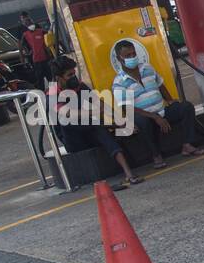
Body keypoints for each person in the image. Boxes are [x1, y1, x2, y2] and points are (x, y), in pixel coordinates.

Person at [111, 40, 204, 168]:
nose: (132, 58)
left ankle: (187, 145)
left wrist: (170, 100)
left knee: (186, 107)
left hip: (162, 111)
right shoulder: (119, 82)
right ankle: (156, 155)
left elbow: (160, 85)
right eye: (128, 56)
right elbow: (127, 108)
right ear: (119, 58)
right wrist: (154, 117)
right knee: (143, 121)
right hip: (146, 117)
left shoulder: (147, 68)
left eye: (133, 54)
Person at [50, 56, 141, 185]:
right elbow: (67, 113)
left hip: (88, 128)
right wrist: (95, 112)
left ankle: (128, 173)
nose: (73, 77)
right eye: (69, 75)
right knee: (79, 122)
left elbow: (100, 103)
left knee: (99, 127)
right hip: (73, 138)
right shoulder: (52, 93)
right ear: (59, 78)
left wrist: (121, 121)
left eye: (74, 73)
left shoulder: (80, 86)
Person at [21, 16, 52, 83]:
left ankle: (54, 93)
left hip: (46, 58)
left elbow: (50, 36)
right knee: (39, 79)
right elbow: (22, 45)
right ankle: (42, 92)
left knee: (51, 77)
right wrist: (28, 52)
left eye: (30, 22)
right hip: (36, 60)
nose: (29, 24)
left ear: (32, 22)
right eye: (27, 24)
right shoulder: (25, 34)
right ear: (25, 25)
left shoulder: (41, 31)